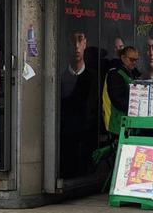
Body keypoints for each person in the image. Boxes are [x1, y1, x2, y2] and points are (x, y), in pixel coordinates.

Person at [59, 28, 98, 177]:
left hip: (86, 138)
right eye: (72, 41)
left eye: (80, 39)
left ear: (85, 43)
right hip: (66, 139)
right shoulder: (60, 78)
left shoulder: (93, 78)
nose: (76, 45)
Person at [102, 45, 141, 135]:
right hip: (116, 122)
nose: (134, 63)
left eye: (136, 60)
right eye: (131, 59)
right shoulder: (115, 74)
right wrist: (137, 107)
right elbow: (118, 100)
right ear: (123, 58)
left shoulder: (133, 73)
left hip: (129, 122)